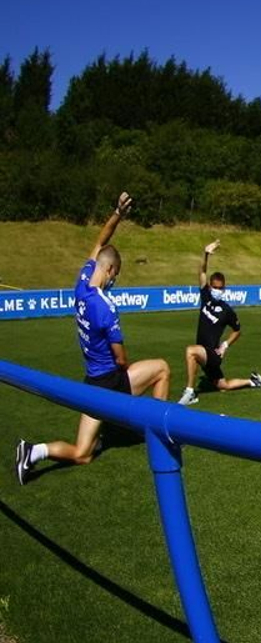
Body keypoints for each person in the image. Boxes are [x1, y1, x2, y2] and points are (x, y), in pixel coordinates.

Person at [15, 192, 171, 484]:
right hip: (111, 381)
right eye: (116, 275)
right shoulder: (106, 306)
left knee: (84, 453)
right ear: (110, 270)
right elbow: (121, 358)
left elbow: (100, 242)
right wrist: (126, 373)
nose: (114, 280)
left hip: (92, 381)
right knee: (161, 368)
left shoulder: (81, 284)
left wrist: (117, 214)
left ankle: (34, 451)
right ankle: (156, 434)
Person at [176, 240, 261, 405]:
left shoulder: (227, 311)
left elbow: (237, 330)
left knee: (190, 351)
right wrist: (205, 253)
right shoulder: (205, 297)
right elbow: (202, 271)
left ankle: (190, 392)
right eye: (214, 287)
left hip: (212, 354)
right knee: (222, 385)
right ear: (210, 287)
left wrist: (225, 345)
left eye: (220, 288)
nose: (217, 291)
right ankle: (253, 381)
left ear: (224, 288)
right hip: (205, 354)